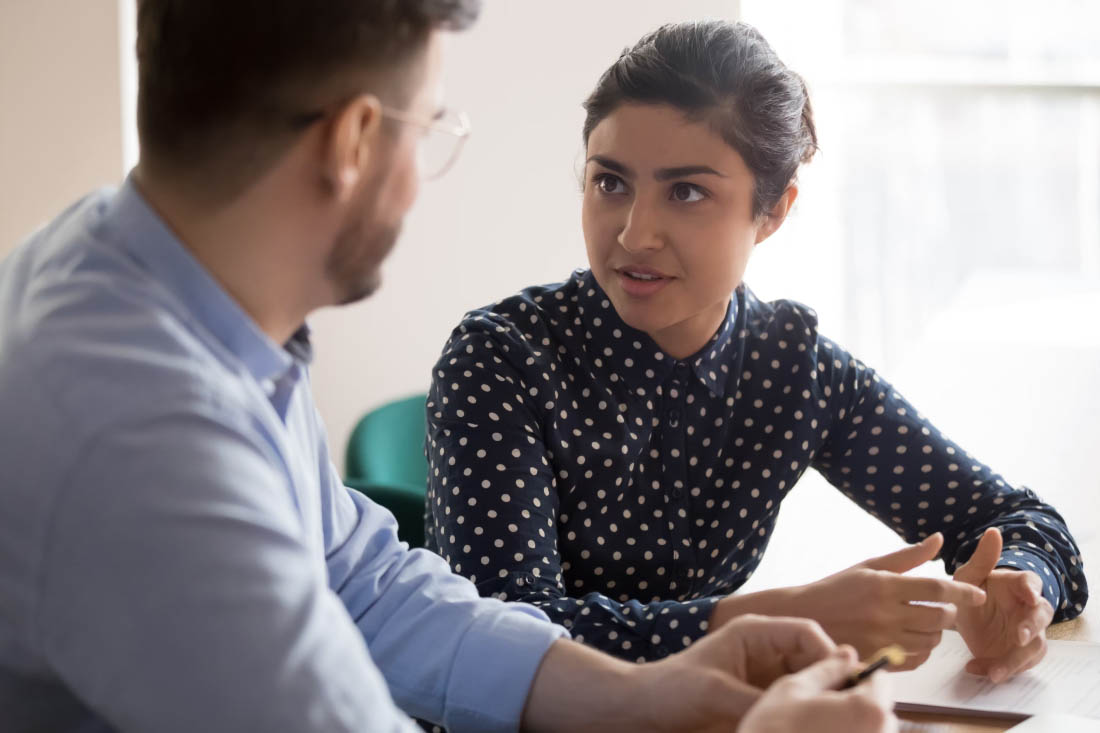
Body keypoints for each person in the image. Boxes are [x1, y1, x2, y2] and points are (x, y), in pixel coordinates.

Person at [0, 2, 899, 732]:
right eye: (429, 125)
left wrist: (643, 694)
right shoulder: (146, 441)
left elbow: (365, 586)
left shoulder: (144, 277)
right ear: (354, 141)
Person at [425, 19, 1089, 683]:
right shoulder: (499, 360)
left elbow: (1019, 520)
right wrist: (783, 622)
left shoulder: (793, 371)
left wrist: (1018, 589)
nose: (635, 234)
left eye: (686, 192)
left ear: (773, 211)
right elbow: (500, 641)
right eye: (611, 183)